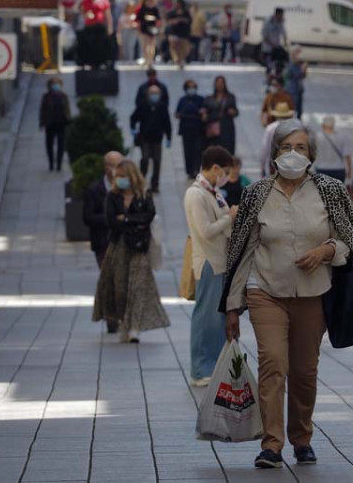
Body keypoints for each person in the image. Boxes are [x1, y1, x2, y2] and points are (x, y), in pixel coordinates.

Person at [221, 120, 353, 469]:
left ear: (311, 154)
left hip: (313, 293)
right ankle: (271, 444)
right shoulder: (256, 192)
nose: (292, 154)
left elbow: (352, 242)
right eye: (286, 147)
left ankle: (301, 439)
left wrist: (326, 251)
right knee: (273, 363)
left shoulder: (330, 191)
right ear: (274, 153)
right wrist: (231, 305)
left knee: (304, 371)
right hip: (265, 290)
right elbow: (242, 251)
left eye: (300, 148)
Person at [93, 160, 169, 343]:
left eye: (123, 176)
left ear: (132, 176)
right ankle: (123, 322)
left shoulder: (143, 195)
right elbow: (111, 221)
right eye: (117, 177)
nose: (119, 180)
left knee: (138, 286)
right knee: (120, 288)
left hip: (140, 248)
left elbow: (148, 216)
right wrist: (135, 222)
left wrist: (126, 219)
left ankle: (134, 327)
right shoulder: (112, 196)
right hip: (119, 247)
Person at [184, 146, 238, 387]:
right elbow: (206, 231)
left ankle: (215, 365)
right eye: (224, 171)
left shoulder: (212, 191)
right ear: (215, 168)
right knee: (205, 317)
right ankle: (200, 368)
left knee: (217, 318)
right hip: (207, 262)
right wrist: (230, 217)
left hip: (220, 262)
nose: (225, 176)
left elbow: (225, 223)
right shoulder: (196, 195)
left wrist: (230, 217)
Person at [84, 151, 125, 268]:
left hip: (125, 243)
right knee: (109, 281)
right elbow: (88, 217)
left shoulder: (127, 186)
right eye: (117, 166)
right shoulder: (94, 190)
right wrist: (111, 219)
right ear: (107, 168)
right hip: (103, 244)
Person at [130, 85, 172, 194]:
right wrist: (133, 128)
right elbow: (133, 118)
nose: (154, 96)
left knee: (157, 161)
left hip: (157, 138)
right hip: (145, 137)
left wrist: (169, 137)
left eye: (156, 93)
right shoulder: (143, 105)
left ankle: (155, 185)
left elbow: (167, 123)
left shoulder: (162, 107)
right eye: (152, 93)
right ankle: (141, 180)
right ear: (148, 94)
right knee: (145, 159)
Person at [39, 77, 71, 172]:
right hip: (50, 124)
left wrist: (69, 121)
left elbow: (67, 109)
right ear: (50, 86)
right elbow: (42, 110)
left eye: (58, 84)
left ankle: (59, 164)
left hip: (61, 123)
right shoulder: (46, 97)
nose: (56, 86)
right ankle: (51, 164)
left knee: (61, 145)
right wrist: (42, 122)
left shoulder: (64, 96)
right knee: (49, 144)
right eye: (54, 84)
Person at [201, 75, 239, 154]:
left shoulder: (230, 97)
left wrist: (232, 112)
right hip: (213, 129)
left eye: (221, 83)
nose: (219, 85)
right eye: (218, 83)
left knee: (227, 151)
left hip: (226, 128)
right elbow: (204, 109)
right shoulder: (209, 98)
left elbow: (236, 111)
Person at [176, 80, 205, 180]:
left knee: (197, 150)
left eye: (193, 87)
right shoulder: (182, 100)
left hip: (198, 129)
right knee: (187, 150)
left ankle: (196, 169)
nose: (191, 89)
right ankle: (189, 170)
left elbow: (204, 111)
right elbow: (177, 113)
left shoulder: (200, 99)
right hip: (186, 130)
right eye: (189, 87)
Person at [260, 102, 296, 178]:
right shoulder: (293, 129)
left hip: (273, 163)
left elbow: (265, 148)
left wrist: (262, 165)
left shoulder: (270, 128)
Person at [314, 116, 351, 182]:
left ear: (323, 125)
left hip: (321, 169)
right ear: (333, 125)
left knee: (322, 191)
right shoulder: (342, 137)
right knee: (337, 191)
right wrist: (350, 170)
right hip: (339, 169)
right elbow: (347, 155)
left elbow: (312, 153)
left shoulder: (317, 137)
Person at [136, 0, 161, 66]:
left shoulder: (155, 9)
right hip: (144, 29)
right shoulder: (142, 9)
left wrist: (152, 19)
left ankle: (150, 60)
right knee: (145, 45)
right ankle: (146, 59)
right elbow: (139, 19)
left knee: (152, 45)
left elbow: (158, 19)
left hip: (152, 29)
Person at [166, 0, 192, 69]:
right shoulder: (172, 12)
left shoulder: (186, 12)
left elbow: (189, 21)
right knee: (174, 47)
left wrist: (182, 20)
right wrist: (174, 21)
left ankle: (181, 59)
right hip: (174, 32)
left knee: (183, 48)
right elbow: (168, 20)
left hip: (183, 33)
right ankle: (177, 59)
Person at [261, 7, 287, 74]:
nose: (281, 17)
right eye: (280, 15)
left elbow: (283, 33)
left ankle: (277, 78)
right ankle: (268, 78)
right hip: (268, 48)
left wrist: (285, 43)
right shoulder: (268, 22)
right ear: (276, 14)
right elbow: (264, 37)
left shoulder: (280, 21)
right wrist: (272, 44)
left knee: (280, 64)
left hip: (276, 47)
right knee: (269, 66)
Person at [284, 46, 307, 120]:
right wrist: (302, 71)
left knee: (299, 110)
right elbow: (294, 75)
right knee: (293, 108)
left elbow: (303, 76)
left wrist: (304, 70)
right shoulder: (292, 64)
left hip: (299, 89)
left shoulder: (299, 64)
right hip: (292, 89)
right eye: (298, 53)